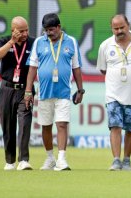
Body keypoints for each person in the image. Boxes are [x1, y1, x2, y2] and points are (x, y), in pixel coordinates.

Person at [24, 13, 84, 171]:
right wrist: (28, 91)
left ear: (59, 27)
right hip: (44, 93)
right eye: (46, 30)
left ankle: (62, 159)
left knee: (62, 124)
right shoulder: (39, 42)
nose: (48, 33)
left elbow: (76, 67)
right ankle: (50, 158)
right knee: (46, 126)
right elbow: (32, 68)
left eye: (51, 29)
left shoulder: (71, 42)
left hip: (64, 92)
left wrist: (80, 89)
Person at [96, 14, 131, 171]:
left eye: (122, 27)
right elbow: (103, 69)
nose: (119, 31)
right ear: (111, 29)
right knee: (114, 125)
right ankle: (116, 160)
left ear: (128, 25)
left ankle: (127, 160)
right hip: (113, 93)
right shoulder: (105, 46)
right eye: (116, 28)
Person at [0, 16, 35, 171]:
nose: (25, 34)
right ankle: (9, 161)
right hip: (7, 88)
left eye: (26, 30)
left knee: (25, 123)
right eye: (21, 31)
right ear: (13, 31)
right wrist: (11, 42)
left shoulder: (33, 43)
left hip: (26, 89)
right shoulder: (3, 40)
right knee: (8, 124)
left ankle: (23, 160)